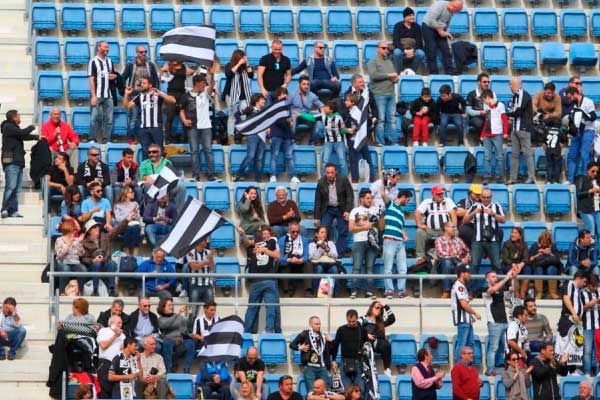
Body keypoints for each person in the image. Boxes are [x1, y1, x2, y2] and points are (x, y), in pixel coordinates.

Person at [239, 225, 281, 334]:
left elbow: (277, 255)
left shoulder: (270, 242)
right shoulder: (270, 242)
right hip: (262, 281)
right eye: (264, 233)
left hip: (264, 280)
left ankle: (260, 331)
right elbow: (277, 255)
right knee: (266, 307)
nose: (265, 235)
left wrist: (264, 250)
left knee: (255, 308)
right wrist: (242, 233)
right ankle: (261, 331)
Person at [180, 74, 220, 182]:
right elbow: (181, 110)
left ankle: (211, 175)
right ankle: (195, 175)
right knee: (194, 151)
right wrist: (184, 120)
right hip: (192, 126)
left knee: (208, 150)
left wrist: (211, 74)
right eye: (203, 83)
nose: (205, 85)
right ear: (197, 83)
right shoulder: (186, 96)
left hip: (206, 126)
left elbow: (211, 85)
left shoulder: (206, 93)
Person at [123, 78, 176, 158]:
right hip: (144, 129)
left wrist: (160, 94)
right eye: (141, 83)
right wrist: (126, 94)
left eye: (144, 83)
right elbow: (127, 106)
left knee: (159, 151)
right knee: (145, 152)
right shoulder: (140, 96)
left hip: (156, 127)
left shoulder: (158, 94)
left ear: (150, 85)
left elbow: (173, 101)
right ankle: (147, 170)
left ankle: (159, 170)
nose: (141, 85)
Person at [1, 110, 38, 218]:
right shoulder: (8, 127)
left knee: (17, 189)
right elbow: (22, 133)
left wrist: (37, 137)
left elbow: (22, 136)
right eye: (19, 116)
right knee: (11, 187)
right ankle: (5, 209)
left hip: (18, 161)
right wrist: (32, 126)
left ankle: (13, 210)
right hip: (11, 161)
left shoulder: (14, 129)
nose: (20, 118)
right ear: (14, 117)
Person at [341, 75, 378, 183]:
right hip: (351, 138)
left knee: (367, 158)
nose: (362, 83)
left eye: (363, 82)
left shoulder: (367, 93)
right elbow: (344, 113)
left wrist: (373, 119)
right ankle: (355, 179)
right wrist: (346, 128)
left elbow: (372, 107)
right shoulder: (347, 94)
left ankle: (371, 178)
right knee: (353, 160)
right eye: (360, 82)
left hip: (362, 136)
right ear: (354, 83)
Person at [349, 189, 384, 299]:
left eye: (371, 198)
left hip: (373, 242)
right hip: (359, 241)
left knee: (370, 268)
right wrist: (365, 227)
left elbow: (382, 227)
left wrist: (382, 217)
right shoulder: (355, 210)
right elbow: (351, 228)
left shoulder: (376, 210)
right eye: (368, 198)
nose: (370, 200)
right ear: (361, 199)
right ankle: (353, 291)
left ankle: (369, 292)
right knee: (357, 267)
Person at [122, 44, 160, 144]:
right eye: (141, 52)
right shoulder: (130, 64)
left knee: (146, 118)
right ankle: (131, 138)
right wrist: (125, 91)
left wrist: (156, 91)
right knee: (133, 118)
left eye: (145, 52)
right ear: (137, 53)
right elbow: (123, 78)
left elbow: (155, 79)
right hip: (134, 94)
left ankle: (144, 138)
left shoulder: (150, 64)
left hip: (147, 95)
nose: (144, 54)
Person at [313, 163, 354, 256]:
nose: (330, 175)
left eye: (332, 172)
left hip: (341, 208)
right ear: (325, 173)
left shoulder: (343, 179)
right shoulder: (321, 182)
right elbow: (318, 200)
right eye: (328, 173)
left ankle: (338, 253)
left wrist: (347, 210)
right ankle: (323, 252)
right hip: (328, 208)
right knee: (323, 229)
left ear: (335, 172)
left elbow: (350, 196)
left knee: (343, 230)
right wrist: (316, 217)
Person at [298, 101, 348, 176]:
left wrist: (344, 129)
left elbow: (343, 132)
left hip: (339, 142)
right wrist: (301, 115)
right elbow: (312, 118)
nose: (324, 108)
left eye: (326, 107)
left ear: (331, 110)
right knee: (325, 161)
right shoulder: (323, 116)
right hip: (328, 142)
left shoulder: (338, 118)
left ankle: (345, 178)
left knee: (342, 161)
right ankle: (323, 178)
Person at [463, 187, 505, 274]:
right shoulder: (474, 206)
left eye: (488, 197)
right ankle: (471, 287)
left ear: (491, 197)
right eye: (484, 197)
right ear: (480, 197)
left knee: (497, 265)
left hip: (493, 240)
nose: (486, 199)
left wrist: (493, 214)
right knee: (474, 265)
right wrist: (474, 213)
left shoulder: (496, 206)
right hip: (477, 241)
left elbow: (503, 220)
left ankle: (501, 287)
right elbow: (464, 221)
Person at [381, 188, 412, 299]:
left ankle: (402, 291)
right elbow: (382, 193)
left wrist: (404, 235)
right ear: (403, 197)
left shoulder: (401, 212)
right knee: (388, 267)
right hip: (389, 240)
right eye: (407, 200)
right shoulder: (391, 205)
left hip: (399, 242)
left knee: (403, 268)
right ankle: (389, 291)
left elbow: (399, 226)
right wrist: (382, 181)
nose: (408, 202)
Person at [482, 269, 515, 376]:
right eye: (492, 276)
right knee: (494, 348)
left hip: (505, 321)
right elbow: (492, 290)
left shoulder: (500, 289)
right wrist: (506, 278)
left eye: (496, 276)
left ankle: (507, 368)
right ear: (487, 279)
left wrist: (513, 279)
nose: (495, 278)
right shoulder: (484, 289)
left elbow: (511, 294)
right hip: (494, 323)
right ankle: (490, 370)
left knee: (506, 347)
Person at [290, 316, 333, 392]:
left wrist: (331, 341)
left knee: (326, 391)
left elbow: (330, 351)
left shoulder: (323, 335)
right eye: (316, 324)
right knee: (311, 391)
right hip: (310, 367)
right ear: (311, 325)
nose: (318, 326)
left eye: (319, 324)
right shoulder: (305, 334)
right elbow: (292, 345)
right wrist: (300, 347)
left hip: (322, 367)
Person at [367, 40, 398, 146]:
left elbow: (393, 75)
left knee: (392, 119)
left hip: (391, 94)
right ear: (378, 49)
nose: (386, 50)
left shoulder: (389, 62)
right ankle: (380, 142)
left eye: (387, 48)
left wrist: (395, 79)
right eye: (383, 48)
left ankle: (393, 141)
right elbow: (374, 75)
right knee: (380, 120)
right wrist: (390, 75)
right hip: (379, 94)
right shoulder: (373, 61)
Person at [232, 94, 268, 182]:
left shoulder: (264, 111)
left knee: (259, 159)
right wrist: (243, 124)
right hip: (253, 135)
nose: (264, 101)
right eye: (262, 99)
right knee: (251, 156)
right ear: (256, 101)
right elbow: (237, 114)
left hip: (262, 136)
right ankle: (237, 174)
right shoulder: (250, 108)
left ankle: (258, 179)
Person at [421, 0, 464, 75]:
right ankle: (433, 74)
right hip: (429, 27)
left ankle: (449, 73)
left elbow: (447, 24)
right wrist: (440, 31)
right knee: (431, 50)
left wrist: (447, 33)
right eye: (456, 10)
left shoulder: (451, 11)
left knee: (447, 52)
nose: (455, 13)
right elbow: (431, 20)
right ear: (453, 6)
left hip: (440, 30)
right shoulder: (439, 5)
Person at [415, 185, 457, 259]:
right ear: (433, 194)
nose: (440, 195)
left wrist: (453, 227)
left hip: (444, 230)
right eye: (438, 194)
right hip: (430, 230)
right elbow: (417, 213)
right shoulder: (427, 202)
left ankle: (453, 254)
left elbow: (453, 214)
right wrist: (419, 224)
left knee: (455, 232)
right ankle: (420, 256)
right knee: (419, 231)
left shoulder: (448, 201)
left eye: (441, 193)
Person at [565, 86, 597, 184]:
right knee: (571, 155)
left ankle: (585, 180)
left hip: (588, 131)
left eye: (570, 97)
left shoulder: (588, 102)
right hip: (577, 132)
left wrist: (583, 114)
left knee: (584, 155)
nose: (569, 99)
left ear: (575, 94)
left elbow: (593, 117)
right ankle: (570, 179)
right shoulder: (574, 105)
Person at [331, 309, 369, 391]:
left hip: (359, 362)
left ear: (357, 319)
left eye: (353, 321)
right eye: (349, 321)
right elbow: (336, 345)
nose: (351, 323)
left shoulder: (362, 330)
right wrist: (333, 360)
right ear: (346, 319)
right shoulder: (341, 329)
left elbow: (367, 346)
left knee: (360, 389)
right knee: (347, 390)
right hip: (344, 361)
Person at [138, 144, 186, 208]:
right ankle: (150, 212)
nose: (151, 154)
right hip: (152, 185)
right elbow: (142, 176)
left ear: (160, 153)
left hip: (165, 186)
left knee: (181, 187)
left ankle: (178, 214)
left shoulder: (167, 162)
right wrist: (147, 177)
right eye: (149, 152)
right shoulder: (144, 163)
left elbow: (171, 176)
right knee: (148, 185)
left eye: (154, 152)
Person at [507, 77, 535, 185]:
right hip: (515, 129)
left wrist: (505, 114)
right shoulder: (514, 97)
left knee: (528, 154)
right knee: (514, 154)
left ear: (517, 85)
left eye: (511, 84)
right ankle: (513, 178)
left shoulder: (523, 95)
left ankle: (531, 177)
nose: (509, 87)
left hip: (523, 128)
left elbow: (517, 112)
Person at [269, 87, 300, 185]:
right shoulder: (274, 106)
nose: (285, 96)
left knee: (289, 156)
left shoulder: (287, 107)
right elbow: (276, 120)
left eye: (286, 94)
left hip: (286, 135)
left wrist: (292, 135)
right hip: (276, 134)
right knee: (275, 155)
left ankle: (293, 176)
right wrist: (287, 121)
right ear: (278, 96)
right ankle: (272, 175)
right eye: (283, 94)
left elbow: (289, 121)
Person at [451, 266, 481, 362]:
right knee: (462, 344)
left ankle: (467, 365)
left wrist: (470, 315)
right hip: (462, 320)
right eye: (468, 273)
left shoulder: (462, 286)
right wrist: (475, 313)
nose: (470, 275)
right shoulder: (459, 286)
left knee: (470, 343)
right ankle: (458, 366)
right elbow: (463, 304)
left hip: (466, 319)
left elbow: (464, 303)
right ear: (462, 273)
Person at [79, 219, 117, 296]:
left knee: (112, 263)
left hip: (104, 263)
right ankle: (95, 290)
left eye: (98, 226)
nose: (97, 228)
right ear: (89, 231)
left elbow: (118, 230)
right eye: (94, 227)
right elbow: (83, 259)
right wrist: (93, 260)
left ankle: (111, 289)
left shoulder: (105, 237)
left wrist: (127, 219)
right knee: (97, 264)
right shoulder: (84, 242)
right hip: (91, 266)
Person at [157, 297, 195, 373]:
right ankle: (169, 369)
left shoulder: (179, 317)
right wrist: (178, 313)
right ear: (163, 307)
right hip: (169, 340)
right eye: (169, 305)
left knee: (191, 343)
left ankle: (186, 369)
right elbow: (166, 325)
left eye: (172, 305)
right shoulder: (160, 319)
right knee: (167, 343)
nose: (172, 307)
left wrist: (190, 314)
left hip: (180, 341)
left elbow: (188, 326)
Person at [160, 60, 194, 143]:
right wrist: (162, 71)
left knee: (184, 116)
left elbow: (190, 75)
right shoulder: (168, 65)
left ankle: (185, 139)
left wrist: (191, 72)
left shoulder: (184, 66)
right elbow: (161, 80)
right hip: (171, 93)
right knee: (170, 116)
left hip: (182, 93)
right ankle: (168, 138)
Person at [88, 41, 116, 143]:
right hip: (98, 94)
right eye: (105, 47)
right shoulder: (93, 61)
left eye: (108, 47)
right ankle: (92, 138)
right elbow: (91, 79)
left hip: (108, 95)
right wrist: (93, 95)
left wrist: (113, 76)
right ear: (98, 48)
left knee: (109, 119)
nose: (107, 49)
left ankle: (106, 139)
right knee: (94, 118)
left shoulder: (109, 61)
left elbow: (111, 75)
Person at [480, 89, 508, 184]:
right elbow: (487, 122)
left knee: (499, 156)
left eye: (484, 100)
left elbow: (504, 120)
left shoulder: (500, 105)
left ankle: (500, 176)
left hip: (497, 133)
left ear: (487, 97)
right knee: (487, 156)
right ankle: (487, 176)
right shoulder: (488, 108)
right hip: (487, 134)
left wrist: (505, 132)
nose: (484, 103)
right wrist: (482, 134)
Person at [435, 221, 471, 298]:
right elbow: (441, 254)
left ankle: (465, 291)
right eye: (453, 227)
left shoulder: (458, 240)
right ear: (446, 228)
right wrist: (456, 258)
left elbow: (467, 251)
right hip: (445, 262)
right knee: (447, 262)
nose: (455, 229)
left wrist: (466, 259)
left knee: (465, 265)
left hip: (458, 261)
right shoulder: (439, 240)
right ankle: (446, 291)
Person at [224, 49, 254, 137]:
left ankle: (243, 135)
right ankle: (231, 136)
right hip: (231, 95)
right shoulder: (228, 65)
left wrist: (247, 64)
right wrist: (238, 64)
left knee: (244, 116)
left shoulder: (245, 67)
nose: (242, 60)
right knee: (232, 116)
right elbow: (229, 74)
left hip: (244, 95)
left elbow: (251, 75)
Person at [182, 239, 216, 319]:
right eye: (204, 240)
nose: (206, 241)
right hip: (195, 285)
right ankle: (190, 330)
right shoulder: (190, 252)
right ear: (199, 241)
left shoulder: (208, 252)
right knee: (193, 311)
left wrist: (209, 258)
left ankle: (211, 328)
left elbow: (212, 267)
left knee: (211, 309)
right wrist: (206, 261)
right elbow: (194, 267)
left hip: (207, 284)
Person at [360, 301, 395, 375]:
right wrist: (366, 334)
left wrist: (386, 306)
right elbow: (356, 327)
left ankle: (387, 369)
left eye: (380, 309)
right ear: (371, 308)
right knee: (366, 345)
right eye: (377, 307)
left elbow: (392, 319)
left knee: (386, 344)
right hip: (368, 341)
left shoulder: (381, 321)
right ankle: (368, 369)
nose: (379, 310)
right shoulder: (364, 318)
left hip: (379, 342)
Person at [54, 218, 86, 294]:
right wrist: (68, 244)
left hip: (75, 263)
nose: (75, 231)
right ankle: (62, 292)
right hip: (63, 262)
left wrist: (80, 244)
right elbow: (59, 255)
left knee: (83, 269)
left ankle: (80, 292)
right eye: (73, 229)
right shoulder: (59, 240)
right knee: (65, 269)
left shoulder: (76, 240)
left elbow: (82, 254)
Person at [289, 76, 324, 145]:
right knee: (293, 116)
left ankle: (312, 142)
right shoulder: (292, 94)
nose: (306, 86)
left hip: (306, 116)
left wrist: (322, 111)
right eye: (304, 84)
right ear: (299, 85)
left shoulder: (312, 95)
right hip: (295, 116)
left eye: (308, 84)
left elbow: (321, 105)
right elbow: (285, 106)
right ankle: (292, 140)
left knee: (318, 121)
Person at [97, 315, 126, 398]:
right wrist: (115, 336)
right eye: (119, 323)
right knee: (105, 390)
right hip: (106, 363)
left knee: (117, 391)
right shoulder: (104, 331)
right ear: (111, 323)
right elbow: (103, 345)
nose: (120, 325)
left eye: (121, 323)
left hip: (118, 365)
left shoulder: (122, 335)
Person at [278, 222, 310, 297]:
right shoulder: (282, 240)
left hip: (300, 260)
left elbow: (306, 255)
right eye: (293, 232)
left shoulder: (304, 240)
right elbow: (279, 257)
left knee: (308, 263)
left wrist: (302, 260)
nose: (295, 233)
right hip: (288, 259)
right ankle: (286, 291)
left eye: (297, 232)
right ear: (289, 231)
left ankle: (308, 290)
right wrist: (289, 260)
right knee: (284, 266)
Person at [392, 7, 426, 74]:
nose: (412, 17)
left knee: (421, 53)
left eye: (413, 15)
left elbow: (419, 42)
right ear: (405, 17)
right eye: (410, 15)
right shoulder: (398, 26)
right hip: (402, 49)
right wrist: (404, 51)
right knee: (396, 52)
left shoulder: (417, 27)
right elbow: (396, 41)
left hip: (413, 49)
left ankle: (411, 72)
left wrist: (412, 51)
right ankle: (401, 72)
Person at [258, 39, 292, 106]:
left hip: (280, 92)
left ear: (282, 49)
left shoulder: (286, 60)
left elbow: (289, 75)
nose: (277, 51)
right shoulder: (265, 59)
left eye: (279, 49)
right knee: (268, 112)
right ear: (271, 48)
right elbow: (259, 75)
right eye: (275, 49)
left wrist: (285, 84)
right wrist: (262, 88)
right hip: (268, 91)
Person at [309, 226, 340, 297]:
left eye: (325, 232)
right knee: (319, 269)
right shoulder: (312, 244)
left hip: (330, 263)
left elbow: (336, 255)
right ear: (317, 234)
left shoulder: (330, 243)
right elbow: (313, 257)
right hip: (319, 263)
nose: (324, 234)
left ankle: (336, 294)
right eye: (322, 232)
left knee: (335, 270)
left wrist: (327, 250)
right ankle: (315, 292)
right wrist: (321, 248)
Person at [111, 186, 142, 256]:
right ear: (125, 194)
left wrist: (135, 215)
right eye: (131, 192)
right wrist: (129, 215)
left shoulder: (135, 204)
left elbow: (139, 217)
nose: (133, 193)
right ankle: (126, 249)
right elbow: (118, 219)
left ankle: (135, 250)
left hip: (134, 224)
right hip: (122, 225)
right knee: (128, 227)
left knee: (136, 227)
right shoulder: (117, 205)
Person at [501, 227, 530, 298]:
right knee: (511, 270)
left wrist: (521, 265)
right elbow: (505, 258)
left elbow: (526, 257)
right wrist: (513, 265)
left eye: (515, 233)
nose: (512, 234)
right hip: (509, 264)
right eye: (512, 232)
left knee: (528, 269)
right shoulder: (506, 243)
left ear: (520, 236)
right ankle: (516, 293)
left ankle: (522, 292)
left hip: (520, 265)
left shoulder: (524, 244)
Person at [576, 162, 600, 244]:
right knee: (591, 232)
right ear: (587, 171)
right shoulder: (582, 179)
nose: (595, 173)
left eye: (597, 171)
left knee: (599, 232)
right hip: (586, 209)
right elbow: (578, 194)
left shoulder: (598, 181)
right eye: (593, 171)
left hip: (597, 209)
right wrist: (590, 191)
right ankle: (591, 253)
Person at [466, 73, 495, 138]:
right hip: (476, 117)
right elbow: (468, 111)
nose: (487, 84)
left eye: (488, 82)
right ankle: (482, 140)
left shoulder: (492, 93)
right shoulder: (472, 94)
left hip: (489, 115)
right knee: (480, 123)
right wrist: (480, 112)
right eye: (484, 82)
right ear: (479, 83)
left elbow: (495, 106)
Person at [581, 274, 600, 376]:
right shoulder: (582, 293)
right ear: (588, 284)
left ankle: (598, 373)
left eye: (596, 285)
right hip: (586, 327)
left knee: (598, 351)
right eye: (593, 286)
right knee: (587, 352)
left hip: (597, 327)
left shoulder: (599, 291)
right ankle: (587, 373)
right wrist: (590, 304)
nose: (595, 288)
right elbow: (579, 309)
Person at [456, 184, 482, 248]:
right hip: (466, 224)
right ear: (470, 193)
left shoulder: (483, 202)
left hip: (480, 224)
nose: (478, 196)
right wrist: (472, 210)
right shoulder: (464, 201)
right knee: (464, 231)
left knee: (498, 231)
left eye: (479, 194)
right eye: (476, 194)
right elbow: (458, 212)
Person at [543, 117, 566, 184]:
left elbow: (544, 142)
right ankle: (556, 180)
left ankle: (549, 180)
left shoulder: (547, 130)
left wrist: (545, 150)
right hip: (557, 150)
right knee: (557, 165)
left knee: (549, 164)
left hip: (549, 150)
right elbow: (562, 143)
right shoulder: (560, 132)